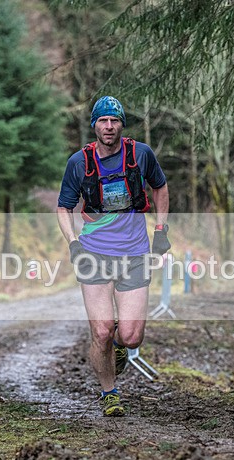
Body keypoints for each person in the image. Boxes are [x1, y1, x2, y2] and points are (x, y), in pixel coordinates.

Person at [56, 96, 171, 417]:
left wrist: (161, 231)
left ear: (122, 124)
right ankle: (110, 393)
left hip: (135, 252)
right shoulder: (79, 162)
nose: (109, 127)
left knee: (131, 336)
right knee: (103, 329)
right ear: (94, 125)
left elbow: (160, 188)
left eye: (114, 121)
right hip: (94, 252)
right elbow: (63, 207)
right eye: (103, 121)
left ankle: (120, 349)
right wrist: (73, 242)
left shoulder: (141, 154)